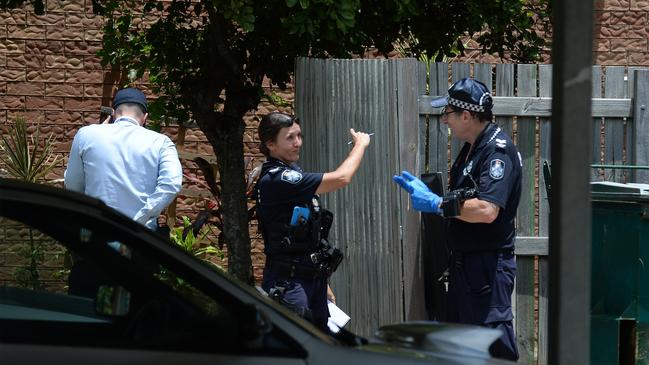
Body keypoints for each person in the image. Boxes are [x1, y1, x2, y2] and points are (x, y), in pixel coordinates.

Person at [393, 78, 522, 361]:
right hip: (466, 265)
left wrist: (437, 203)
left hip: (487, 266)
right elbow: (465, 198)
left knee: (491, 346)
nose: (445, 121)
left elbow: (488, 210)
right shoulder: (472, 148)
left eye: (447, 114)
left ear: (466, 115)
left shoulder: (496, 152)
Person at [255, 112, 371, 330]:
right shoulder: (278, 179)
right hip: (289, 284)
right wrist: (360, 145)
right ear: (270, 144)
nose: (297, 143)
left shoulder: (293, 172)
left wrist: (322, 281)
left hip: (311, 279)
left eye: (299, 136)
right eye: (289, 138)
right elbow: (342, 177)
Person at [64, 88, 182, 296]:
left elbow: (72, 185)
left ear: (113, 113)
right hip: (140, 241)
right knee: (135, 311)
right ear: (145, 118)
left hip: (95, 238)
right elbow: (171, 184)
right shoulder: (160, 142)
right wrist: (139, 219)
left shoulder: (86, 134)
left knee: (87, 307)